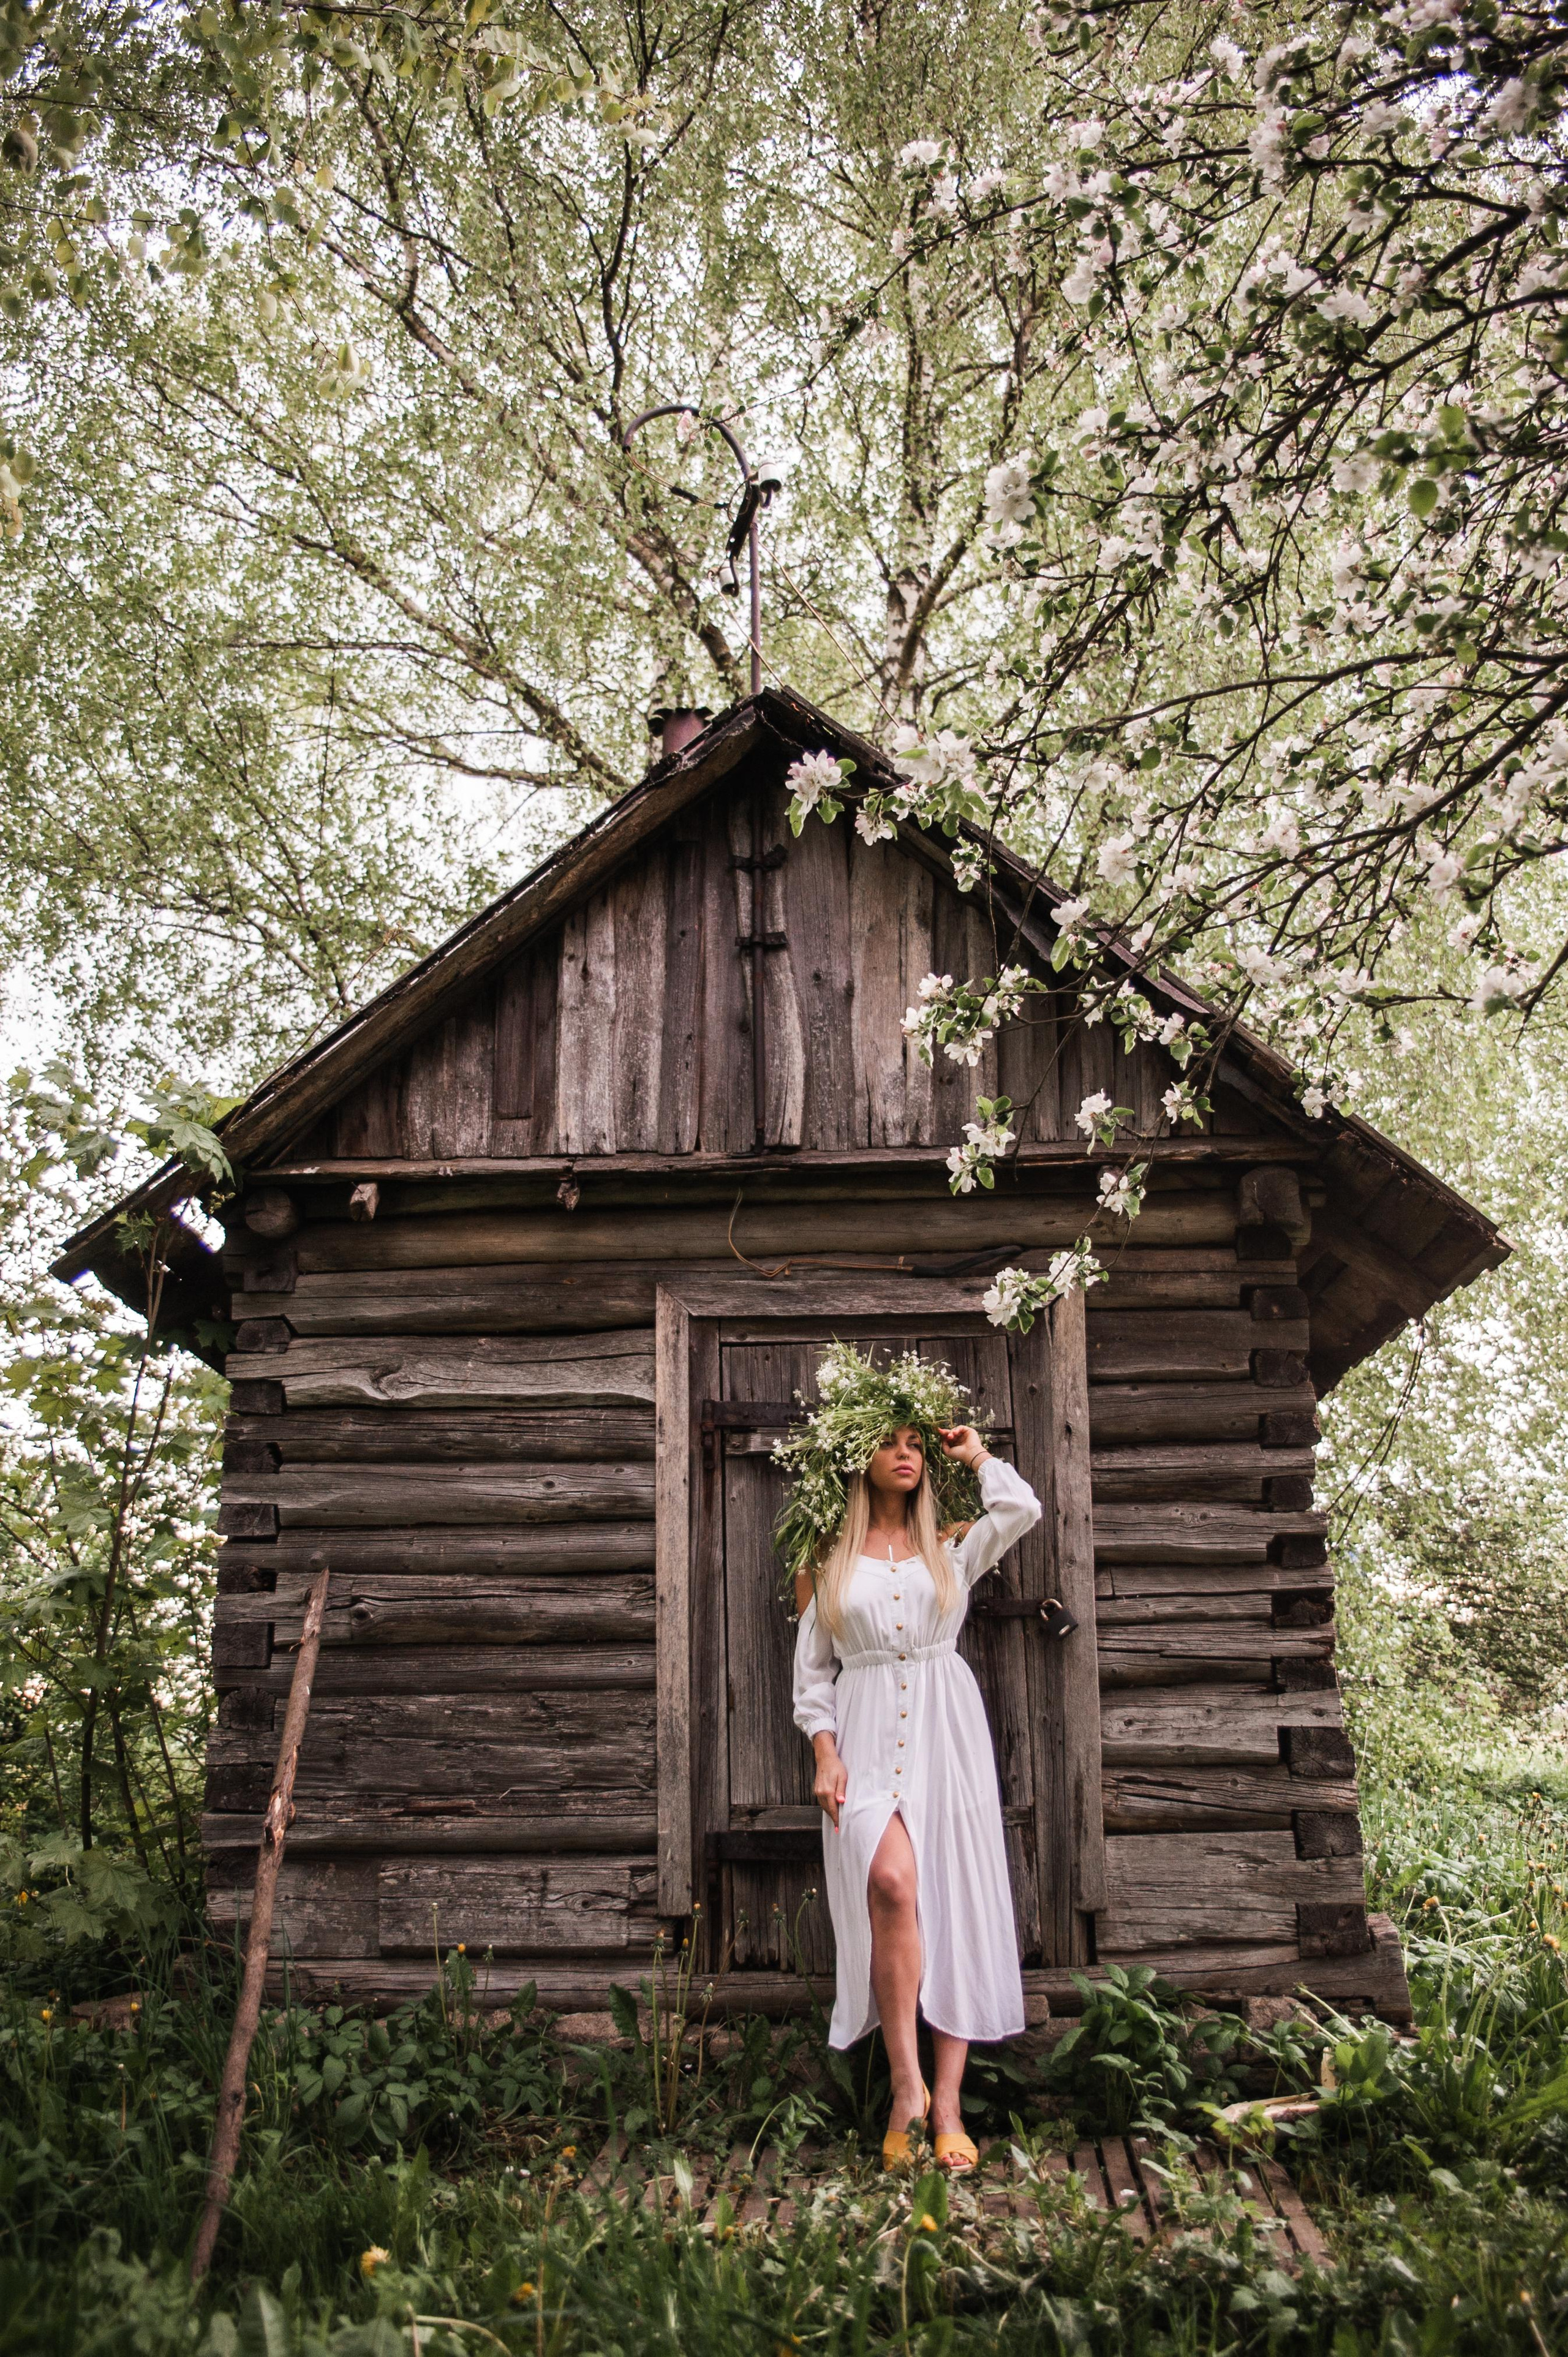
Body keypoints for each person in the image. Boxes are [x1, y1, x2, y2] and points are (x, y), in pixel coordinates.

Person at [788, 1375, 1041, 2175]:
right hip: (863, 1733)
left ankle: (950, 2107)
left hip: (947, 1731)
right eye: (891, 1442)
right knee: (890, 1883)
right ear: (858, 1456)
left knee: (950, 1902)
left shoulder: (955, 1548)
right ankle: (906, 2089)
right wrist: (825, 1753)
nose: (906, 1455)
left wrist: (976, 1453)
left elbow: (1022, 1512)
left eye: (917, 1445)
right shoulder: (826, 1561)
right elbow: (811, 1678)